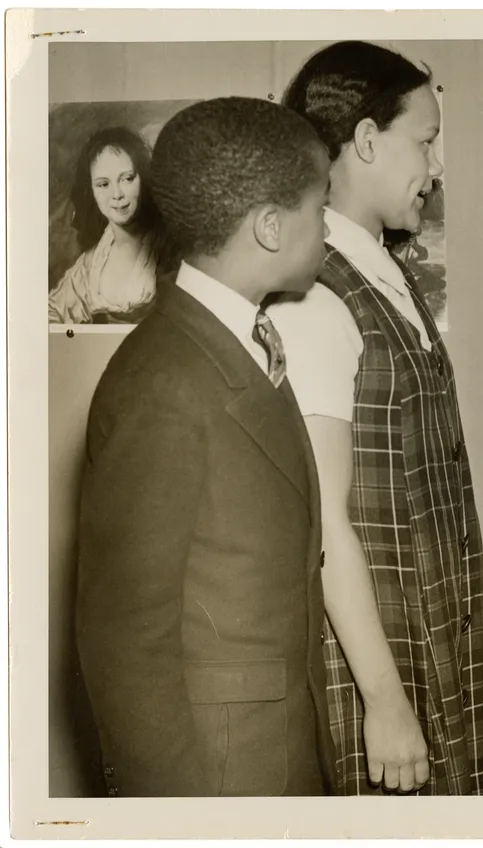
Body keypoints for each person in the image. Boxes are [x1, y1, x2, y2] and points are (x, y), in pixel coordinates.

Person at [267, 40, 483, 796]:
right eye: (427, 140)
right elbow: (325, 525)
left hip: (439, 628)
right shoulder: (314, 295)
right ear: (368, 140)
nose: (437, 167)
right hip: (383, 657)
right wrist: (384, 704)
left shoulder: (382, 269)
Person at [75, 97, 337, 797]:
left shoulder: (232, 338)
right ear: (272, 227)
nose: (329, 231)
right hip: (217, 779)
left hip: (274, 748)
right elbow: (127, 642)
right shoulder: (162, 380)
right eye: (322, 207)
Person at [49, 127, 163, 324]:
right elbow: (50, 313)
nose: (117, 194)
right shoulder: (91, 264)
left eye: (127, 179)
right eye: (103, 184)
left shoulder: (168, 247)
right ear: (91, 191)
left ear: (143, 179)